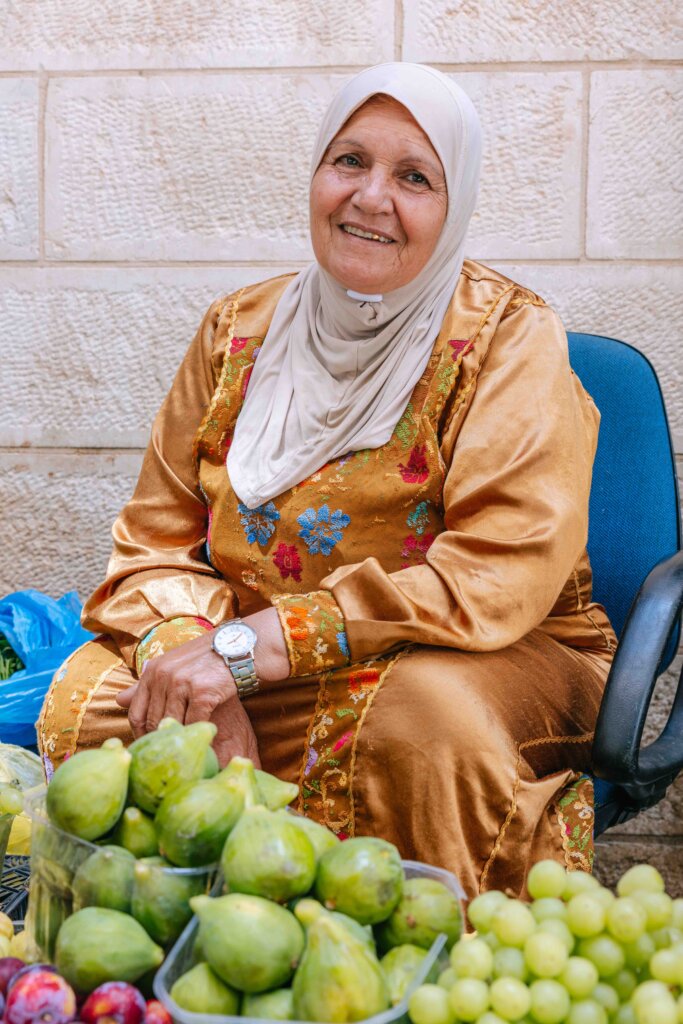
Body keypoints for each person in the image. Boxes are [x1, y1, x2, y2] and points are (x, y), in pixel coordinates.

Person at [38, 62, 616, 899]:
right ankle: (197, 966)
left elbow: (496, 572)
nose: (370, 197)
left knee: (414, 725)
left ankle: (415, 967)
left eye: (414, 177)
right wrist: (189, 662)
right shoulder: (236, 332)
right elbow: (153, 541)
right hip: (255, 655)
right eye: (348, 162)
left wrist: (251, 650)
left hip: (481, 651)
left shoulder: (507, 342)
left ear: (453, 208)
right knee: (102, 702)